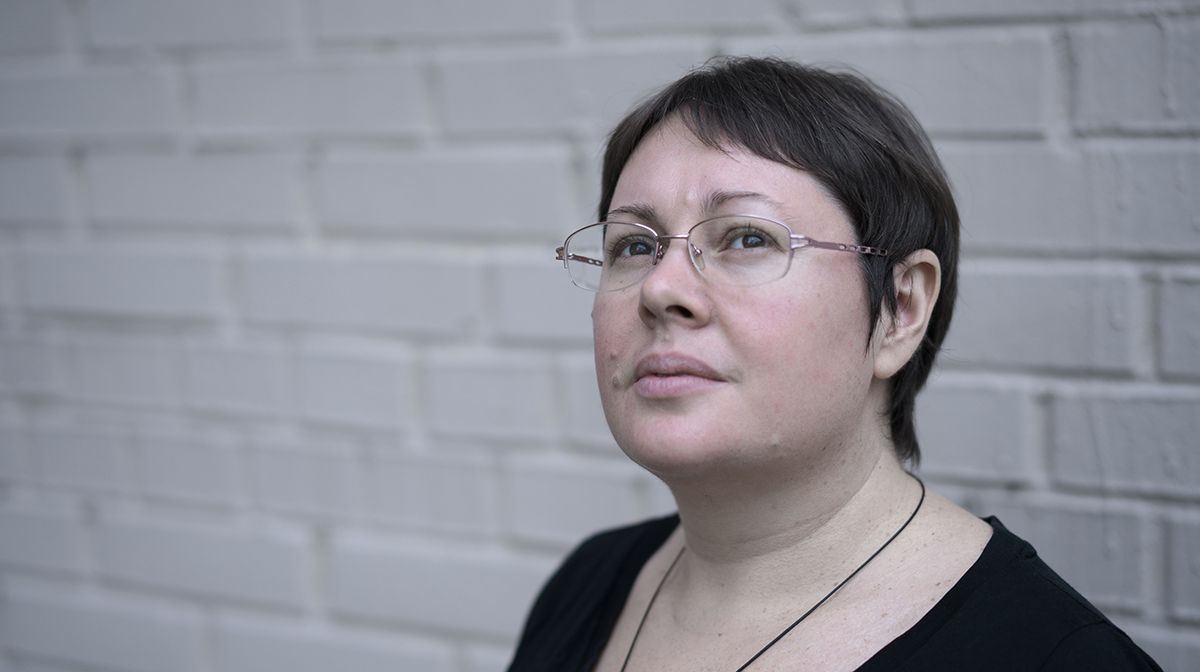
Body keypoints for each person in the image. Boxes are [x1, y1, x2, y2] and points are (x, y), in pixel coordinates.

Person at [507, 57, 1162, 671]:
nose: (660, 288)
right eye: (633, 246)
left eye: (747, 237)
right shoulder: (588, 584)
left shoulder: (1050, 656)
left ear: (901, 309)